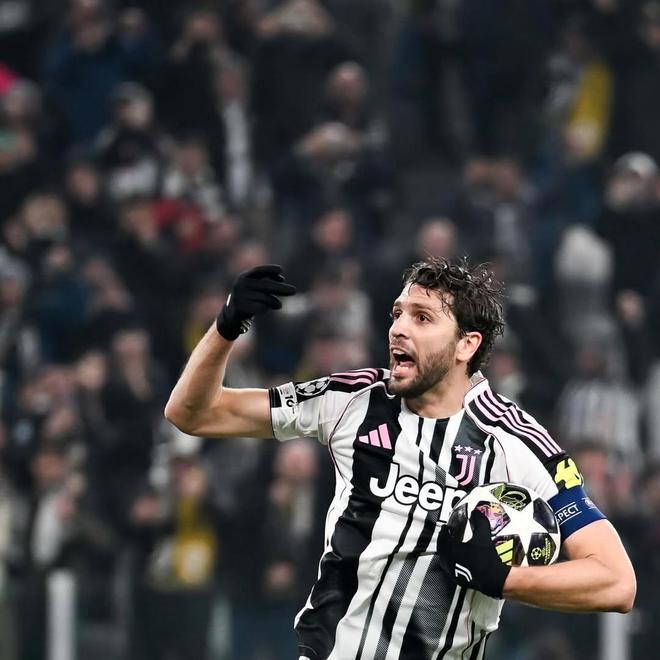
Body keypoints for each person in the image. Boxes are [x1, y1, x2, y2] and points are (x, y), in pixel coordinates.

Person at [164, 257, 636, 659]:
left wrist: (505, 580)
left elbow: (616, 582)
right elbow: (192, 413)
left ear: (467, 344)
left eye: (422, 318)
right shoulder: (352, 400)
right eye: (397, 314)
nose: (399, 329)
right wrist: (225, 327)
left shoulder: (518, 444)